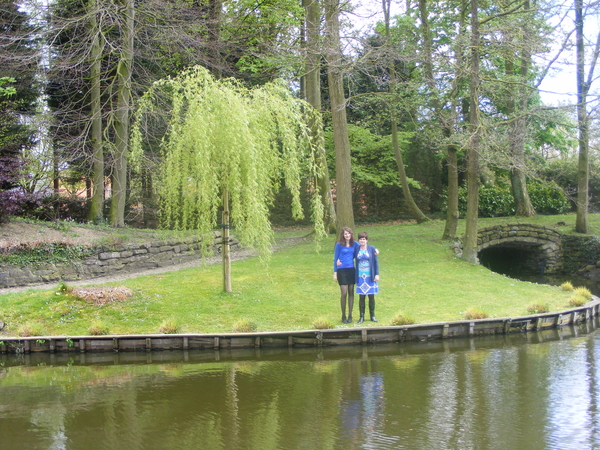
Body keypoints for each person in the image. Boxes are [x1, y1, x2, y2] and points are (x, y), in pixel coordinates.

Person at [333, 227, 358, 323]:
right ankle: (343, 315)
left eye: (348, 233)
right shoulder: (339, 245)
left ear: (351, 234)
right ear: (343, 235)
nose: (347, 235)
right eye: (345, 234)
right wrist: (335, 273)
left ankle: (350, 315)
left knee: (351, 292)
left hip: (351, 270)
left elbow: (365, 248)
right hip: (341, 270)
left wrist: (375, 250)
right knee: (344, 293)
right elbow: (335, 259)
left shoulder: (355, 244)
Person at [354, 231, 379, 323]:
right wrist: (339, 260)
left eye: (364, 239)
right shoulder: (356, 249)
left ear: (367, 240)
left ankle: (372, 316)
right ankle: (361, 316)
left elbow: (375, 262)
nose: (362, 241)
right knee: (361, 297)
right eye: (360, 239)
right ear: (358, 240)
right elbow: (349, 256)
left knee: (371, 296)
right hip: (360, 276)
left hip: (370, 276)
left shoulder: (371, 248)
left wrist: (377, 274)